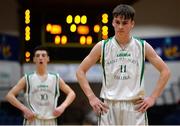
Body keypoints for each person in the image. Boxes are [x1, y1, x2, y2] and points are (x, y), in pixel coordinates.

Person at [76, 4, 170, 125]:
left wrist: (153, 98)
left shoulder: (142, 46)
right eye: (117, 22)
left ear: (132, 24)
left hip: (135, 106)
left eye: (125, 23)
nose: (120, 26)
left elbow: (165, 71)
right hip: (109, 105)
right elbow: (80, 71)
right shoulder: (102, 46)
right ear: (113, 23)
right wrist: (91, 97)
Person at [6, 46, 76, 125]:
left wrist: (62, 107)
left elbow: (72, 93)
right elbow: (9, 95)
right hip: (33, 120)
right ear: (34, 59)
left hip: (50, 120)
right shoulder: (27, 78)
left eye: (43, 55)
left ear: (48, 59)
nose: (40, 58)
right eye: (37, 55)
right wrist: (24, 109)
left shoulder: (55, 78)